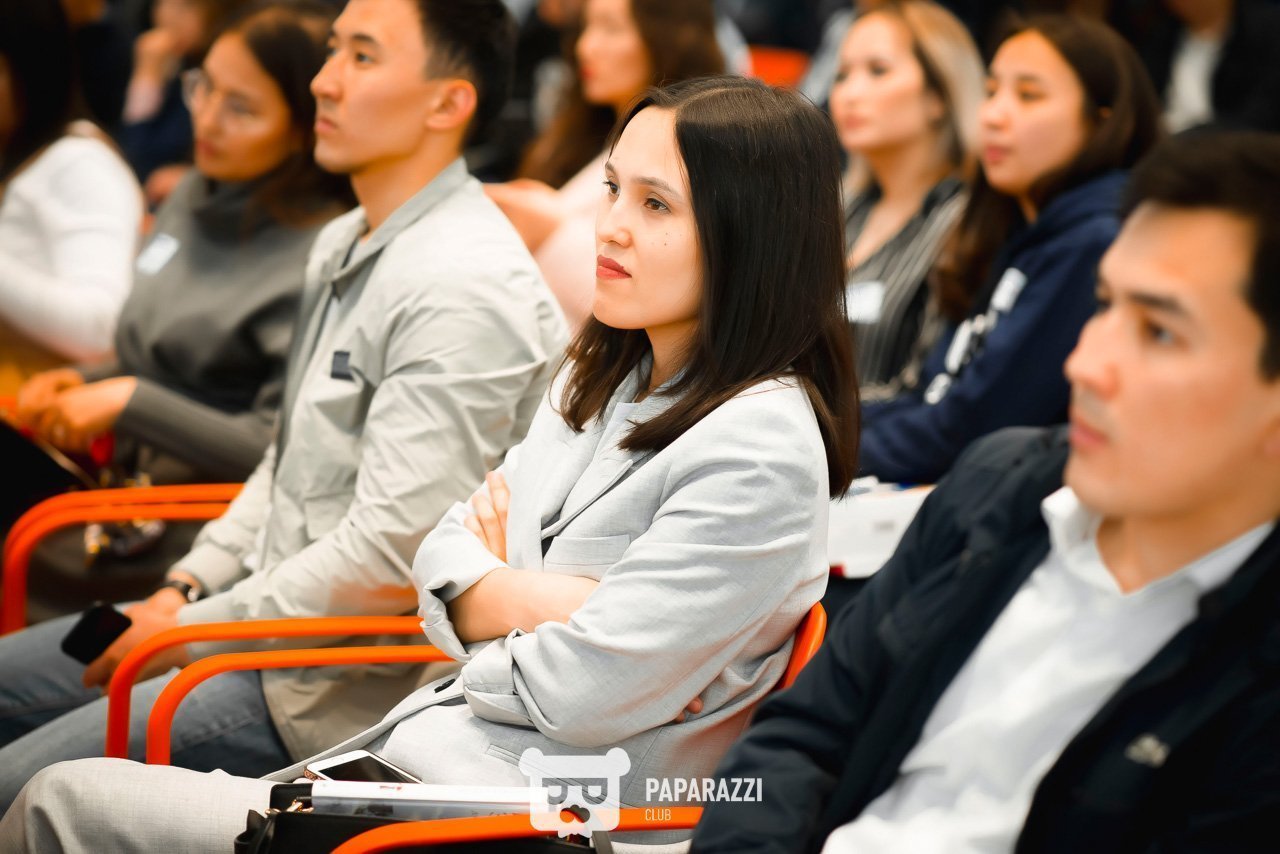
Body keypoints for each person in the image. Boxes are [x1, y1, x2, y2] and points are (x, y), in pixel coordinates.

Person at [0, 73, 860, 853]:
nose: (610, 225)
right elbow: (440, 552)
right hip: (418, 757)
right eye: (610, 188)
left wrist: (486, 603)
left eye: (656, 204)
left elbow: (578, 695)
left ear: (753, 235)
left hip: (528, 817)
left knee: (58, 803)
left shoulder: (760, 446)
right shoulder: (602, 371)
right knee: (58, 793)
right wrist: (546, 604)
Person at [0, 0, 565, 812]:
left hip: (329, 688)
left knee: (22, 792)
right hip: (252, 624)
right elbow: (284, 461)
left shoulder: (463, 285)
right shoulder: (347, 239)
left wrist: (193, 627)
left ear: (448, 102)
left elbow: (391, 558)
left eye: (362, 57)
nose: (324, 82)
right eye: (333, 51)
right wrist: (186, 589)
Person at [691, 129, 1280, 853]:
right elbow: (801, 736)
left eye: (1158, 332)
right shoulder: (997, 490)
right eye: (1103, 306)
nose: (1085, 363)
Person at [15, 0, 354, 489]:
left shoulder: (325, 251)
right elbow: (163, 360)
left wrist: (132, 402)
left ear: (304, 129)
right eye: (204, 87)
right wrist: (88, 379)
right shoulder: (196, 191)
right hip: (125, 483)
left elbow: (282, 449)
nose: (208, 119)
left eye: (241, 108)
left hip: (211, 510)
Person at [857, 14, 1161, 484]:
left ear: (1102, 120)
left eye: (1028, 95)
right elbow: (930, 395)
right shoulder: (1012, 227)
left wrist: (820, 448)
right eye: (991, 91)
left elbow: (967, 429)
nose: (994, 115)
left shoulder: (1095, 241)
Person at [487, 0, 724, 328]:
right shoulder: (578, 135)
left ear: (667, 36)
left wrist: (550, 231)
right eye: (586, 27)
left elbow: (668, 296)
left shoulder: (697, 154)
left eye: (611, 29)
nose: (586, 47)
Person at [829, 0, 983, 391]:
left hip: (876, 427)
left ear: (939, 95)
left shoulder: (962, 221)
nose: (849, 93)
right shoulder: (833, 207)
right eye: (842, 75)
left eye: (878, 70)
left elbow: (928, 391)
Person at [0, 0, 142, 397]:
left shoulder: (79, 162)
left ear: (29, 69)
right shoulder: (15, 147)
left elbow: (101, 326)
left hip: (35, 407)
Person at [119, 0, 246, 203]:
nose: (169, 16)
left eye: (187, 5)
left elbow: (142, 158)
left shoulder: (220, 75)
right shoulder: (178, 61)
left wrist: (146, 76)